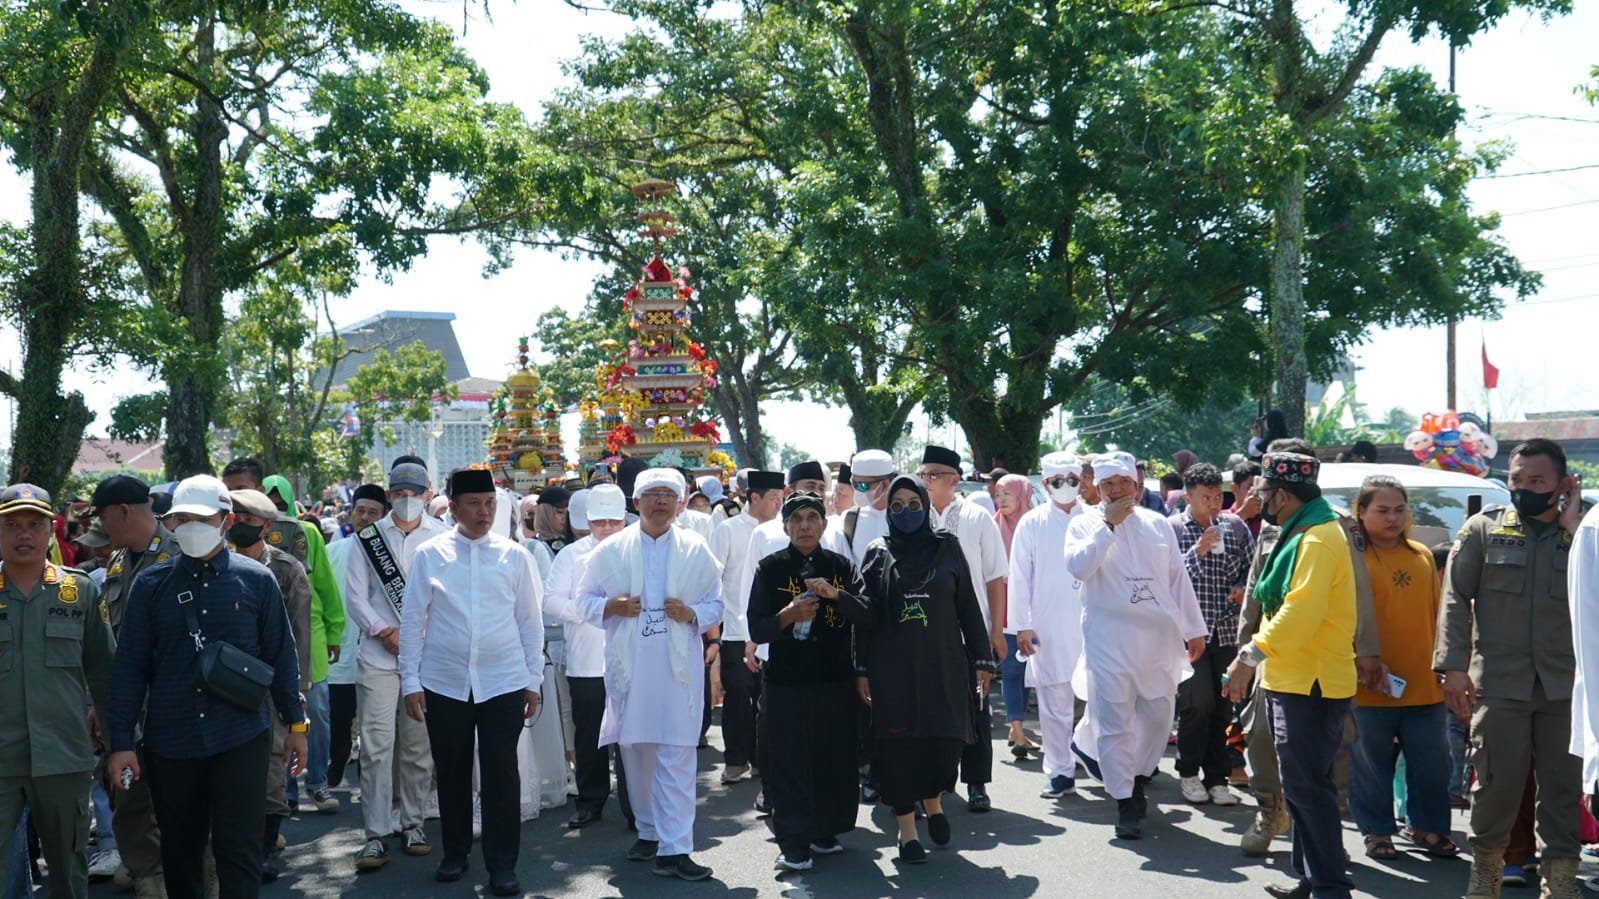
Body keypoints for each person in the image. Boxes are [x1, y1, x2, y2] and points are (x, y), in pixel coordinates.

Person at [107, 476, 307, 899]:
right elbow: (129, 667)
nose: (191, 526)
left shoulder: (258, 580)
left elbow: (282, 656)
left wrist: (296, 725)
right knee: (181, 856)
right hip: (171, 742)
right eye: (182, 519)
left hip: (242, 737)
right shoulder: (150, 585)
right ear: (171, 521)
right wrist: (121, 741)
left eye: (203, 518)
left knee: (240, 854)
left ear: (227, 520)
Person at [1435, 438, 1584, 898]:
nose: (1523, 488)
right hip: (1499, 686)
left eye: (1536, 481)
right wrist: (1452, 667)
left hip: (1566, 688)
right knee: (1496, 785)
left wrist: (1577, 528)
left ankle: (1559, 883)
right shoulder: (1483, 529)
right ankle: (1486, 877)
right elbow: (1455, 599)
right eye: (1516, 479)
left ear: (1562, 484)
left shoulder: (1586, 535)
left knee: (1562, 791)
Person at [399, 468, 544, 897]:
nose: (483, 513)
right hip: (445, 681)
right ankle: (456, 853)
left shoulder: (514, 556)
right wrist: (411, 680)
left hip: (503, 680)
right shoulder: (430, 554)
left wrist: (532, 680)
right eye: (475, 504)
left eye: (490, 504)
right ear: (453, 505)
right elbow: (412, 623)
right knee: (453, 770)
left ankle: (502, 865)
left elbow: (529, 624)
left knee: (502, 773)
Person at [574, 468, 724, 881]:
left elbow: (717, 603)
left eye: (667, 495)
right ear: (635, 502)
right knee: (637, 753)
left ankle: (675, 848)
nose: (660, 502)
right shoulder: (610, 550)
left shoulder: (696, 548)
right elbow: (582, 600)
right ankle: (648, 830)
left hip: (678, 671)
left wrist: (693, 613)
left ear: (679, 503)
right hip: (631, 669)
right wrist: (612, 606)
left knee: (676, 752)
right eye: (652, 495)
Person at [1222, 452, 1357, 899]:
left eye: (1262, 492)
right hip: (1292, 677)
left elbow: (1299, 613)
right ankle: (1313, 878)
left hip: (1311, 682)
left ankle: (1329, 887)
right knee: (1302, 786)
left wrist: (1247, 656)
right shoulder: (1299, 531)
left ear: (1282, 494)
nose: (1258, 500)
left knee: (1308, 787)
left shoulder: (1317, 539)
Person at [841, 475, 995, 863]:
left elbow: (968, 608)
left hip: (944, 663)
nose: (906, 512)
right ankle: (907, 832)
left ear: (926, 506)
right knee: (898, 749)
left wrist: (982, 660)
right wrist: (861, 669)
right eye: (897, 506)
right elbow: (866, 616)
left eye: (914, 504)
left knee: (944, 742)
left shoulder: (948, 548)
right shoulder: (878, 551)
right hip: (892, 669)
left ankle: (934, 800)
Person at [1064, 451, 1206, 840]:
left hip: (1157, 640)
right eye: (1108, 484)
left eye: (1123, 483)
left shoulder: (1158, 525)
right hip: (1108, 640)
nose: (1116, 490)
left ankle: (1137, 774)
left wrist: (1194, 628)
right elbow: (1079, 568)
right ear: (1097, 487)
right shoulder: (1083, 524)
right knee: (1114, 720)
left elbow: (1177, 579)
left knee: (1159, 718)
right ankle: (1125, 799)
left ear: (1136, 485)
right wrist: (1107, 527)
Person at [0, 484, 116, 899]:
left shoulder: (80, 591)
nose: (24, 534)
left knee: (69, 873)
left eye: (34, 525)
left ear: (52, 530)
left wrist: (119, 743)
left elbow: (105, 674)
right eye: (11, 525)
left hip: (63, 756)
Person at [747, 491, 862, 872]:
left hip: (834, 680)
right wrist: (787, 615)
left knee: (832, 758)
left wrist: (837, 595)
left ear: (824, 524)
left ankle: (826, 830)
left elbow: (867, 614)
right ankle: (794, 842)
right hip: (786, 682)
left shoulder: (842, 566)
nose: (805, 525)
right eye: (796, 519)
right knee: (790, 761)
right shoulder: (770, 568)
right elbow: (757, 628)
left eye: (812, 517)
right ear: (785, 527)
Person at [221, 460, 344, 816]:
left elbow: (324, 588)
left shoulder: (303, 535)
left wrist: (334, 630)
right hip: (241, 665)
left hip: (307, 640)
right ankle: (285, 794)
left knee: (312, 714)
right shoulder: (215, 550)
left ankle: (316, 781)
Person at [1344, 475, 1457, 862]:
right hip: (1369, 681)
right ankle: (1377, 831)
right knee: (1371, 764)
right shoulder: (1349, 557)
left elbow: (1438, 615)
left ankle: (1426, 826)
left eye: (1399, 510)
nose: (1392, 518)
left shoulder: (1422, 556)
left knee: (1431, 763)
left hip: (1424, 681)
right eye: (1382, 510)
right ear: (1361, 511)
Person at [343, 461, 448, 871]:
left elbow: (446, 598)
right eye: (399, 493)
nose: (406, 500)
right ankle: (375, 832)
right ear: (389, 494)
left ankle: (414, 823)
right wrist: (386, 632)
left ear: (427, 493)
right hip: (378, 658)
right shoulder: (366, 539)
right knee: (375, 747)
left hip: (425, 660)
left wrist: (415, 638)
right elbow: (356, 596)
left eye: (414, 492)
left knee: (419, 746)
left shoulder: (441, 538)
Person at [736, 461, 851, 813]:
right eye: (806, 483)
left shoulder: (834, 536)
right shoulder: (764, 535)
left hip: (827, 660)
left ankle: (824, 815)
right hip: (777, 651)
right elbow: (748, 594)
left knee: (825, 740)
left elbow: (851, 596)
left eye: (819, 485)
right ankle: (773, 794)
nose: (813, 491)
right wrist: (750, 640)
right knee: (775, 732)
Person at [87, 476, 176, 896]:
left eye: (103, 517)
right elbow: (106, 640)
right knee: (127, 797)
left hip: (171, 706)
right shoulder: (119, 564)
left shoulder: (179, 554)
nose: (101, 529)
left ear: (123, 511)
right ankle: (146, 873)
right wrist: (95, 703)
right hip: (124, 707)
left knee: (178, 799)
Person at [226, 489, 313, 883]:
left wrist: (299, 692)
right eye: (234, 519)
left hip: (271, 683)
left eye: (249, 521)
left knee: (273, 769)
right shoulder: (211, 562)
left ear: (265, 525)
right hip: (222, 683)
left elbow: (298, 634)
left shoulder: (286, 569)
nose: (240, 526)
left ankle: (264, 848)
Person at [919, 446, 1008, 813]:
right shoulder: (913, 517)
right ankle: (936, 782)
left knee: (976, 706)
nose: (927, 481)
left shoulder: (977, 517)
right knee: (929, 708)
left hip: (971, 631)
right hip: (924, 632)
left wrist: (996, 630)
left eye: (934, 474)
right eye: (923, 474)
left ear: (955, 478)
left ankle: (976, 784)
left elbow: (995, 576)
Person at [543, 484, 629, 830]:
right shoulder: (572, 556)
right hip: (586, 660)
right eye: (599, 522)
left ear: (624, 519)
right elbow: (550, 601)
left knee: (631, 738)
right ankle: (591, 800)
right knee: (589, 734)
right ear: (587, 522)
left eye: (613, 521)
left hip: (631, 660)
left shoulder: (636, 550)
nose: (607, 528)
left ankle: (635, 804)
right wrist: (593, 610)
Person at [1168, 463, 1254, 807]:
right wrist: (1198, 551)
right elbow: (1165, 577)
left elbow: (1252, 570)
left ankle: (1217, 777)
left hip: (1227, 630)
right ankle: (1188, 772)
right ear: (1189, 497)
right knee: (1196, 704)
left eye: (1219, 496)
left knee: (1223, 706)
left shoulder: (1235, 526)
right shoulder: (1173, 529)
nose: (1214, 504)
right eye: (1206, 498)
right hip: (1189, 632)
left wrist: (1239, 588)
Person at [1008, 453, 1086, 799]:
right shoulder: (1032, 522)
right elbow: (1019, 576)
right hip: (1048, 625)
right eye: (1058, 481)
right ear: (1045, 485)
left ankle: (1105, 763)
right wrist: (1021, 626)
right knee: (1054, 702)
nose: (1066, 486)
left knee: (1104, 699)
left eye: (1072, 479)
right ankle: (1060, 771)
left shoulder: (1096, 518)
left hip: (1094, 624)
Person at [709, 471, 782, 785]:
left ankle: (762, 761)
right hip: (738, 629)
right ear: (754, 498)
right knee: (739, 698)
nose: (780, 504)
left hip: (770, 630)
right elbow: (712, 576)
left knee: (768, 700)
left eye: (782, 498)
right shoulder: (728, 529)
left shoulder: (782, 530)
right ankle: (736, 760)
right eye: (774, 499)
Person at [323, 485, 388, 789]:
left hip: (382, 652)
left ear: (384, 517)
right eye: (359, 511)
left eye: (372, 512)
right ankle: (337, 760)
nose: (364, 517)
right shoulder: (333, 551)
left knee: (374, 724)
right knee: (339, 719)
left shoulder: (390, 557)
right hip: (341, 650)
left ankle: (369, 774)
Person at [993, 473, 1037, 757]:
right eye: (998, 494)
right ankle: (1018, 731)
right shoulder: (992, 525)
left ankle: (1015, 724)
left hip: (1034, 606)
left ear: (1022, 494)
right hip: (1003, 606)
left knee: (1028, 671)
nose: (1002, 500)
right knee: (1010, 670)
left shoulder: (1036, 524)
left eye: (1007, 493)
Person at [833, 450, 894, 567]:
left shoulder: (906, 516)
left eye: (862, 486)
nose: (856, 490)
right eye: (853, 483)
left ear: (885, 485)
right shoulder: (849, 519)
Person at [1229, 460, 1265, 536]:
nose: (1258, 493)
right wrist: (1242, 514)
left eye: (1261, 488)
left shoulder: (1268, 521)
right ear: (1235, 488)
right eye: (1251, 487)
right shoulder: (1220, 517)